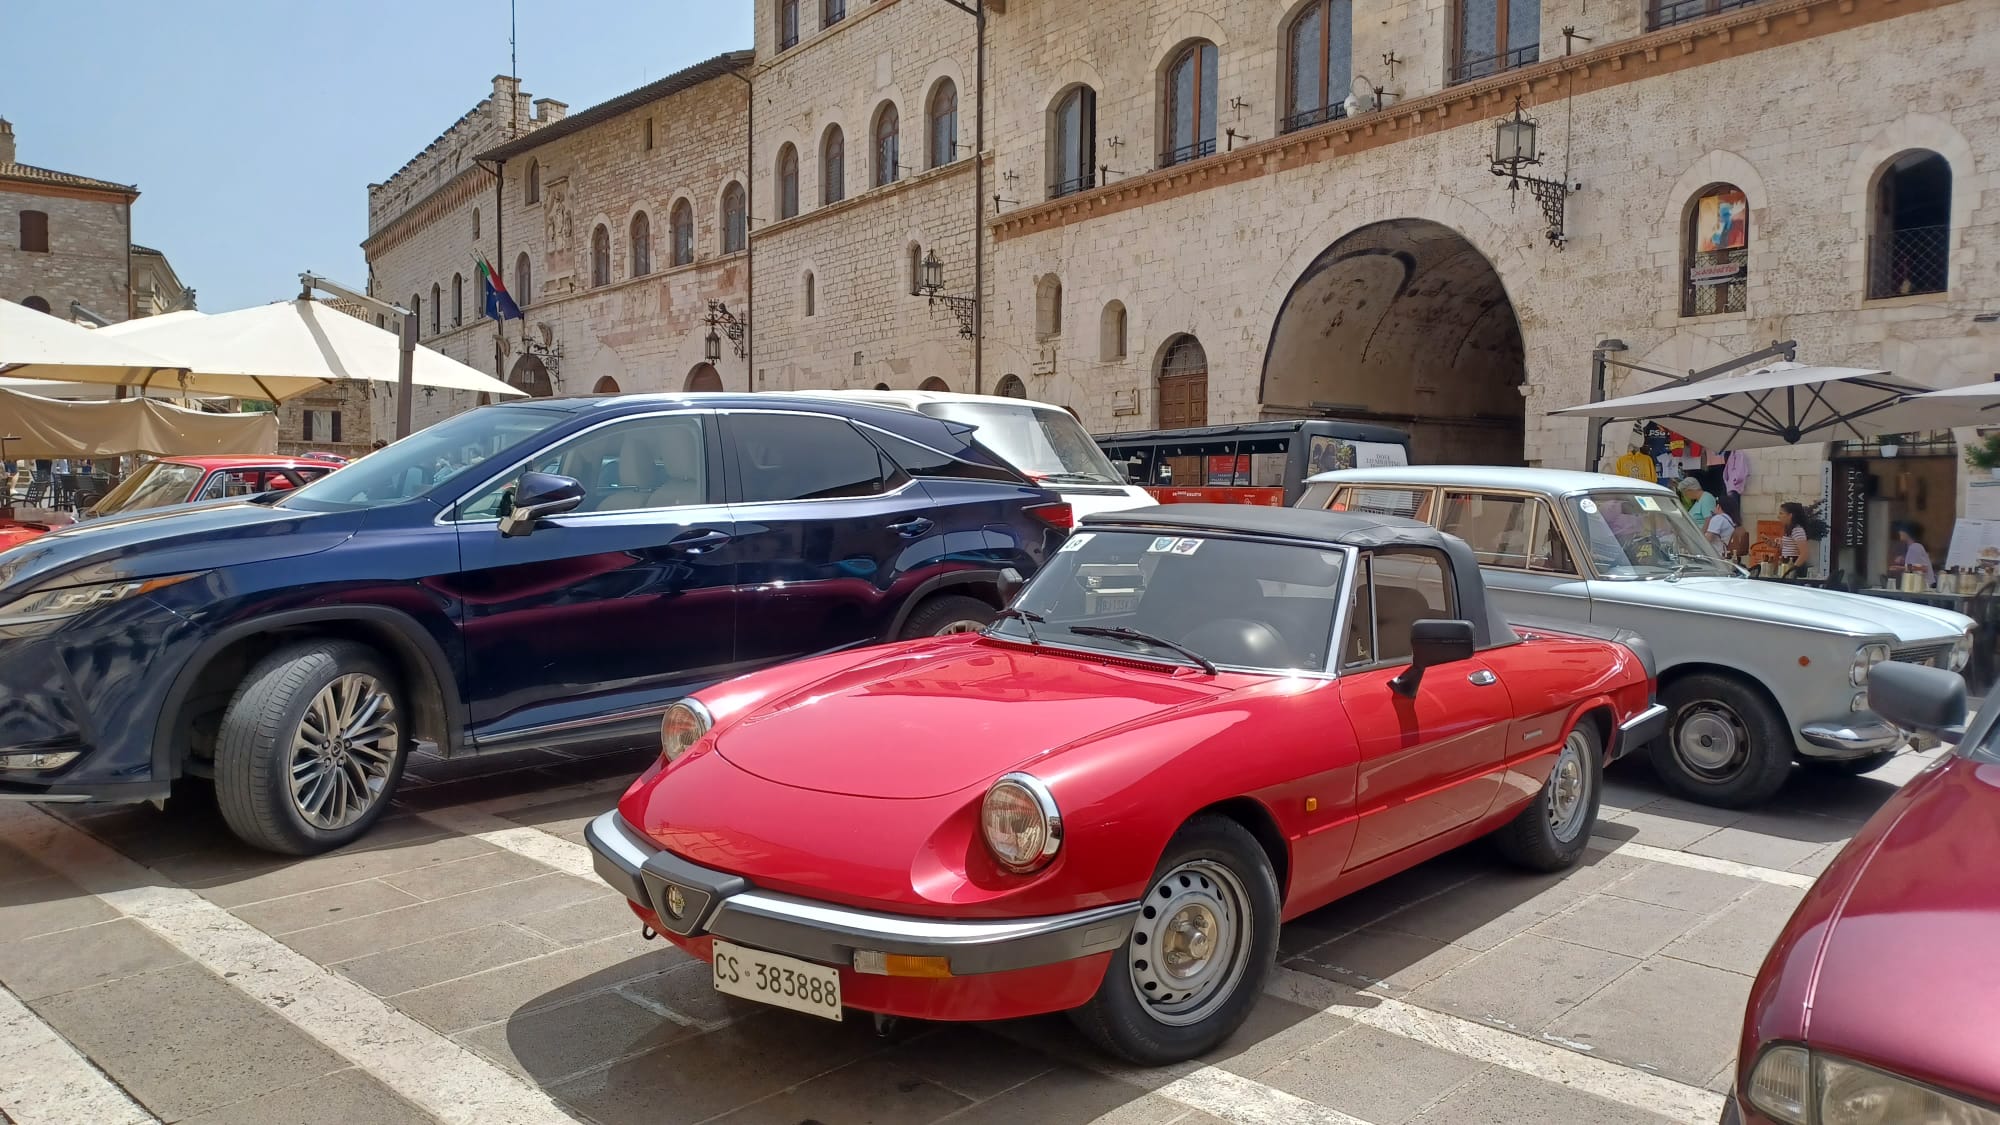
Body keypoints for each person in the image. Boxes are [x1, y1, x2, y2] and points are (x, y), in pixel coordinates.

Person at [1890, 522, 1935, 586]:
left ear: (1908, 533)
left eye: (1902, 530)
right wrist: (1903, 560)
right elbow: (1916, 565)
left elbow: (1924, 568)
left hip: (1924, 586)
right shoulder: (1912, 547)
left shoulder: (1915, 547)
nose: (1899, 532)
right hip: (1918, 586)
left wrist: (1900, 568)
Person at [1705, 491, 1740, 556]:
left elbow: (1708, 538)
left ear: (1718, 506)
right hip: (1726, 554)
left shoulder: (1718, 518)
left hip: (1716, 555)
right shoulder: (1730, 519)